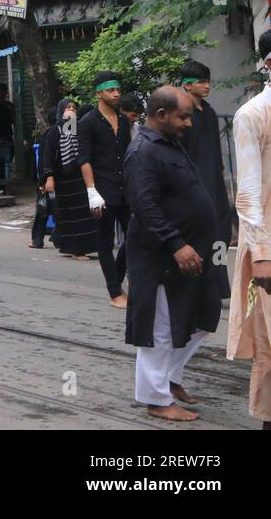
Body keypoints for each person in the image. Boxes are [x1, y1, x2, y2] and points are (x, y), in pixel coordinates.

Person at [124, 86, 223, 422]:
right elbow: (145, 206)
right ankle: (155, 398)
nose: (189, 123)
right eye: (183, 116)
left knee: (204, 317)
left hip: (193, 252)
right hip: (162, 257)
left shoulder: (168, 145)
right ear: (161, 115)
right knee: (160, 329)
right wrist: (176, 244)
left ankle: (171, 378)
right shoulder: (142, 152)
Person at [228, 28, 271, 427]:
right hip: (269, 251)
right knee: (269, 346)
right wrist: (261, 258)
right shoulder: (252, 115)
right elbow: (250, 195)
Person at [80, 71, 133, 309]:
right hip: (101, 189)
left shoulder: (124, 121)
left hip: (125, 188)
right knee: (105, 242)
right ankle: (114, 292)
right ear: (99, 93)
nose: (116, 94)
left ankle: (117, 280)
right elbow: (85, 159)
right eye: (111, 90)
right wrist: (92, 191)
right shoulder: (87, 123)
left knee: (133, 237)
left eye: (118, 89)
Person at [179, 60, 234, 270]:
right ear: (187, 85)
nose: (207, 86)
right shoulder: (182, 115)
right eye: (201, 81)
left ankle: (219, 282)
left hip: (215, 181)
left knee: (221, 234)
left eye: (208, 81)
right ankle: (199, 280)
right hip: (194, 185)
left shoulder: (210, 113)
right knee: (199, 235)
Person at [34, 99, 96, 258]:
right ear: (61, 111)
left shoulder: (77, 129)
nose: (71, 110)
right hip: (62, 180)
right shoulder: (54, 131)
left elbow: (83, 151)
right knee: (69, 216)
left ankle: (79, 247)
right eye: (68, 107)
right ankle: (77, 250)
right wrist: (48, 178)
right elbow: (47, 157)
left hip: (79, 178)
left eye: (74, 108)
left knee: (83, 214)